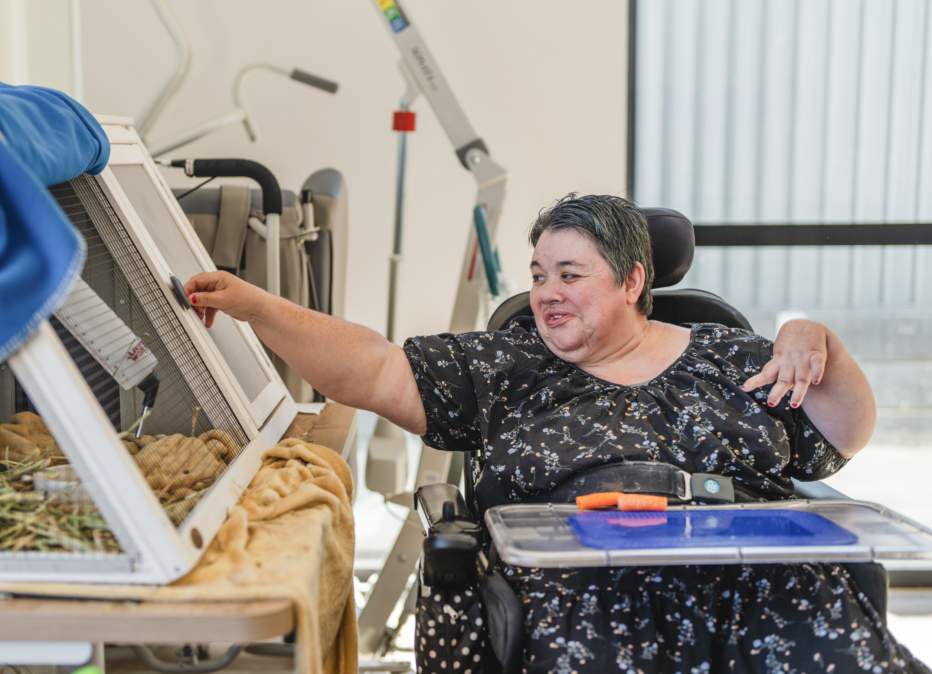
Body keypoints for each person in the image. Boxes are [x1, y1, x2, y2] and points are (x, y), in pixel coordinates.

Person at [184, 194, 928, 673]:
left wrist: (818, 341)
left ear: (632, 280)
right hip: (586, 583)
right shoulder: (508, 364)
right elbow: (375, 369)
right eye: (539, 274)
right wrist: (258, 307)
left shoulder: (729, 352)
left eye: (570, 273)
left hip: (755, 573)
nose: (545, 293)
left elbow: (845, 433)